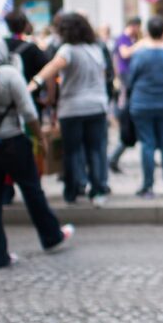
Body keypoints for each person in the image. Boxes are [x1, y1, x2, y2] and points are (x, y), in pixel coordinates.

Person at [0, 33, 73, 270]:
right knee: (31, 189)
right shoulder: (9, 74)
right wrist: (40, 139)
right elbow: (28, 112)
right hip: (12, 143)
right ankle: (51, 236)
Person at [28, 12, 110, 207]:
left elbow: (54, 66)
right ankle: (98, 191)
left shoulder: (67, 50)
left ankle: (72, 191)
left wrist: (34, 83)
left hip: (73, 107)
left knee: (72, 151)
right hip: (97, 105)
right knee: (96, 150)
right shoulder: (95, 49)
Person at [129, 17, 163, 198]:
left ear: (148, 31)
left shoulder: (140, 54)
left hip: (142, 103)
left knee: (147, 144)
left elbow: (131, 79)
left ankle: (148, 186)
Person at [108, 16, 142, 174]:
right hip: (126, 80)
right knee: (128, 124)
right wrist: (139, 45)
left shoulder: (130, 38)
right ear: (133, 25)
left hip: (128, 81)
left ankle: (114, 158)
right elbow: (124, 54)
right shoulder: (123, 38)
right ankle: (113, 158)